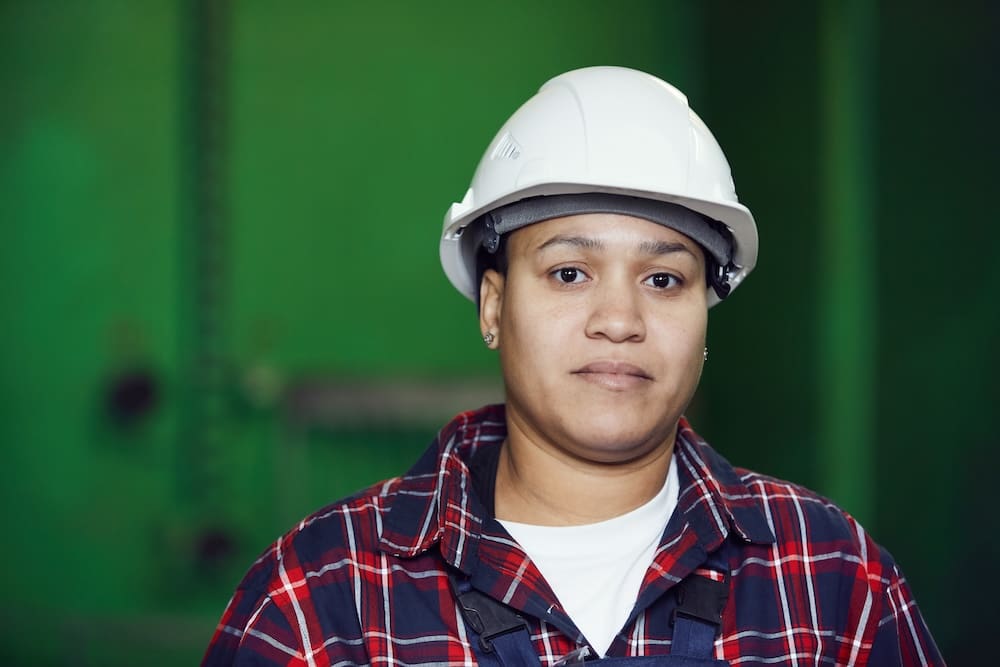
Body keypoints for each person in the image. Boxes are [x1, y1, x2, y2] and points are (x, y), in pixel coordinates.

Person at [202, 66, 943, 666]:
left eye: (664, 279)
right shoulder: (325, 596)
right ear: (494, 308)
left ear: (704, 314)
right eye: (568, 273)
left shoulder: (830, 580)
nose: (618, 320)